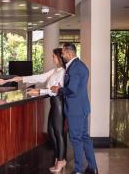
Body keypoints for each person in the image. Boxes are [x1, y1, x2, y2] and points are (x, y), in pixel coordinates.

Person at [0, 48, 67, 173]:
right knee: (52, 132)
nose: (52, 58)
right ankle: (59, 157)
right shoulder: (55, 70)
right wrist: (20, 78)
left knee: (58, 133)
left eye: (54, 56)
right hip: (54, 104)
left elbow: (56, 90)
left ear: (59, 58)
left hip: (59, 104)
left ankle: (61, 160)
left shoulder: (63, 72)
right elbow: (39, 77)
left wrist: (39, 91)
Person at [51, 43, 98, 174]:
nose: (62, 55)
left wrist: (58, 89)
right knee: (84, 137)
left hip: (75, 110)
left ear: (70, 53)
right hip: (82, 108)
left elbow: (72, 90)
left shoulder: (75, 68)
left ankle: (78, 171)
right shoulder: (79, 65)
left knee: (76, 139)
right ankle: (92, 168)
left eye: (63, 53)